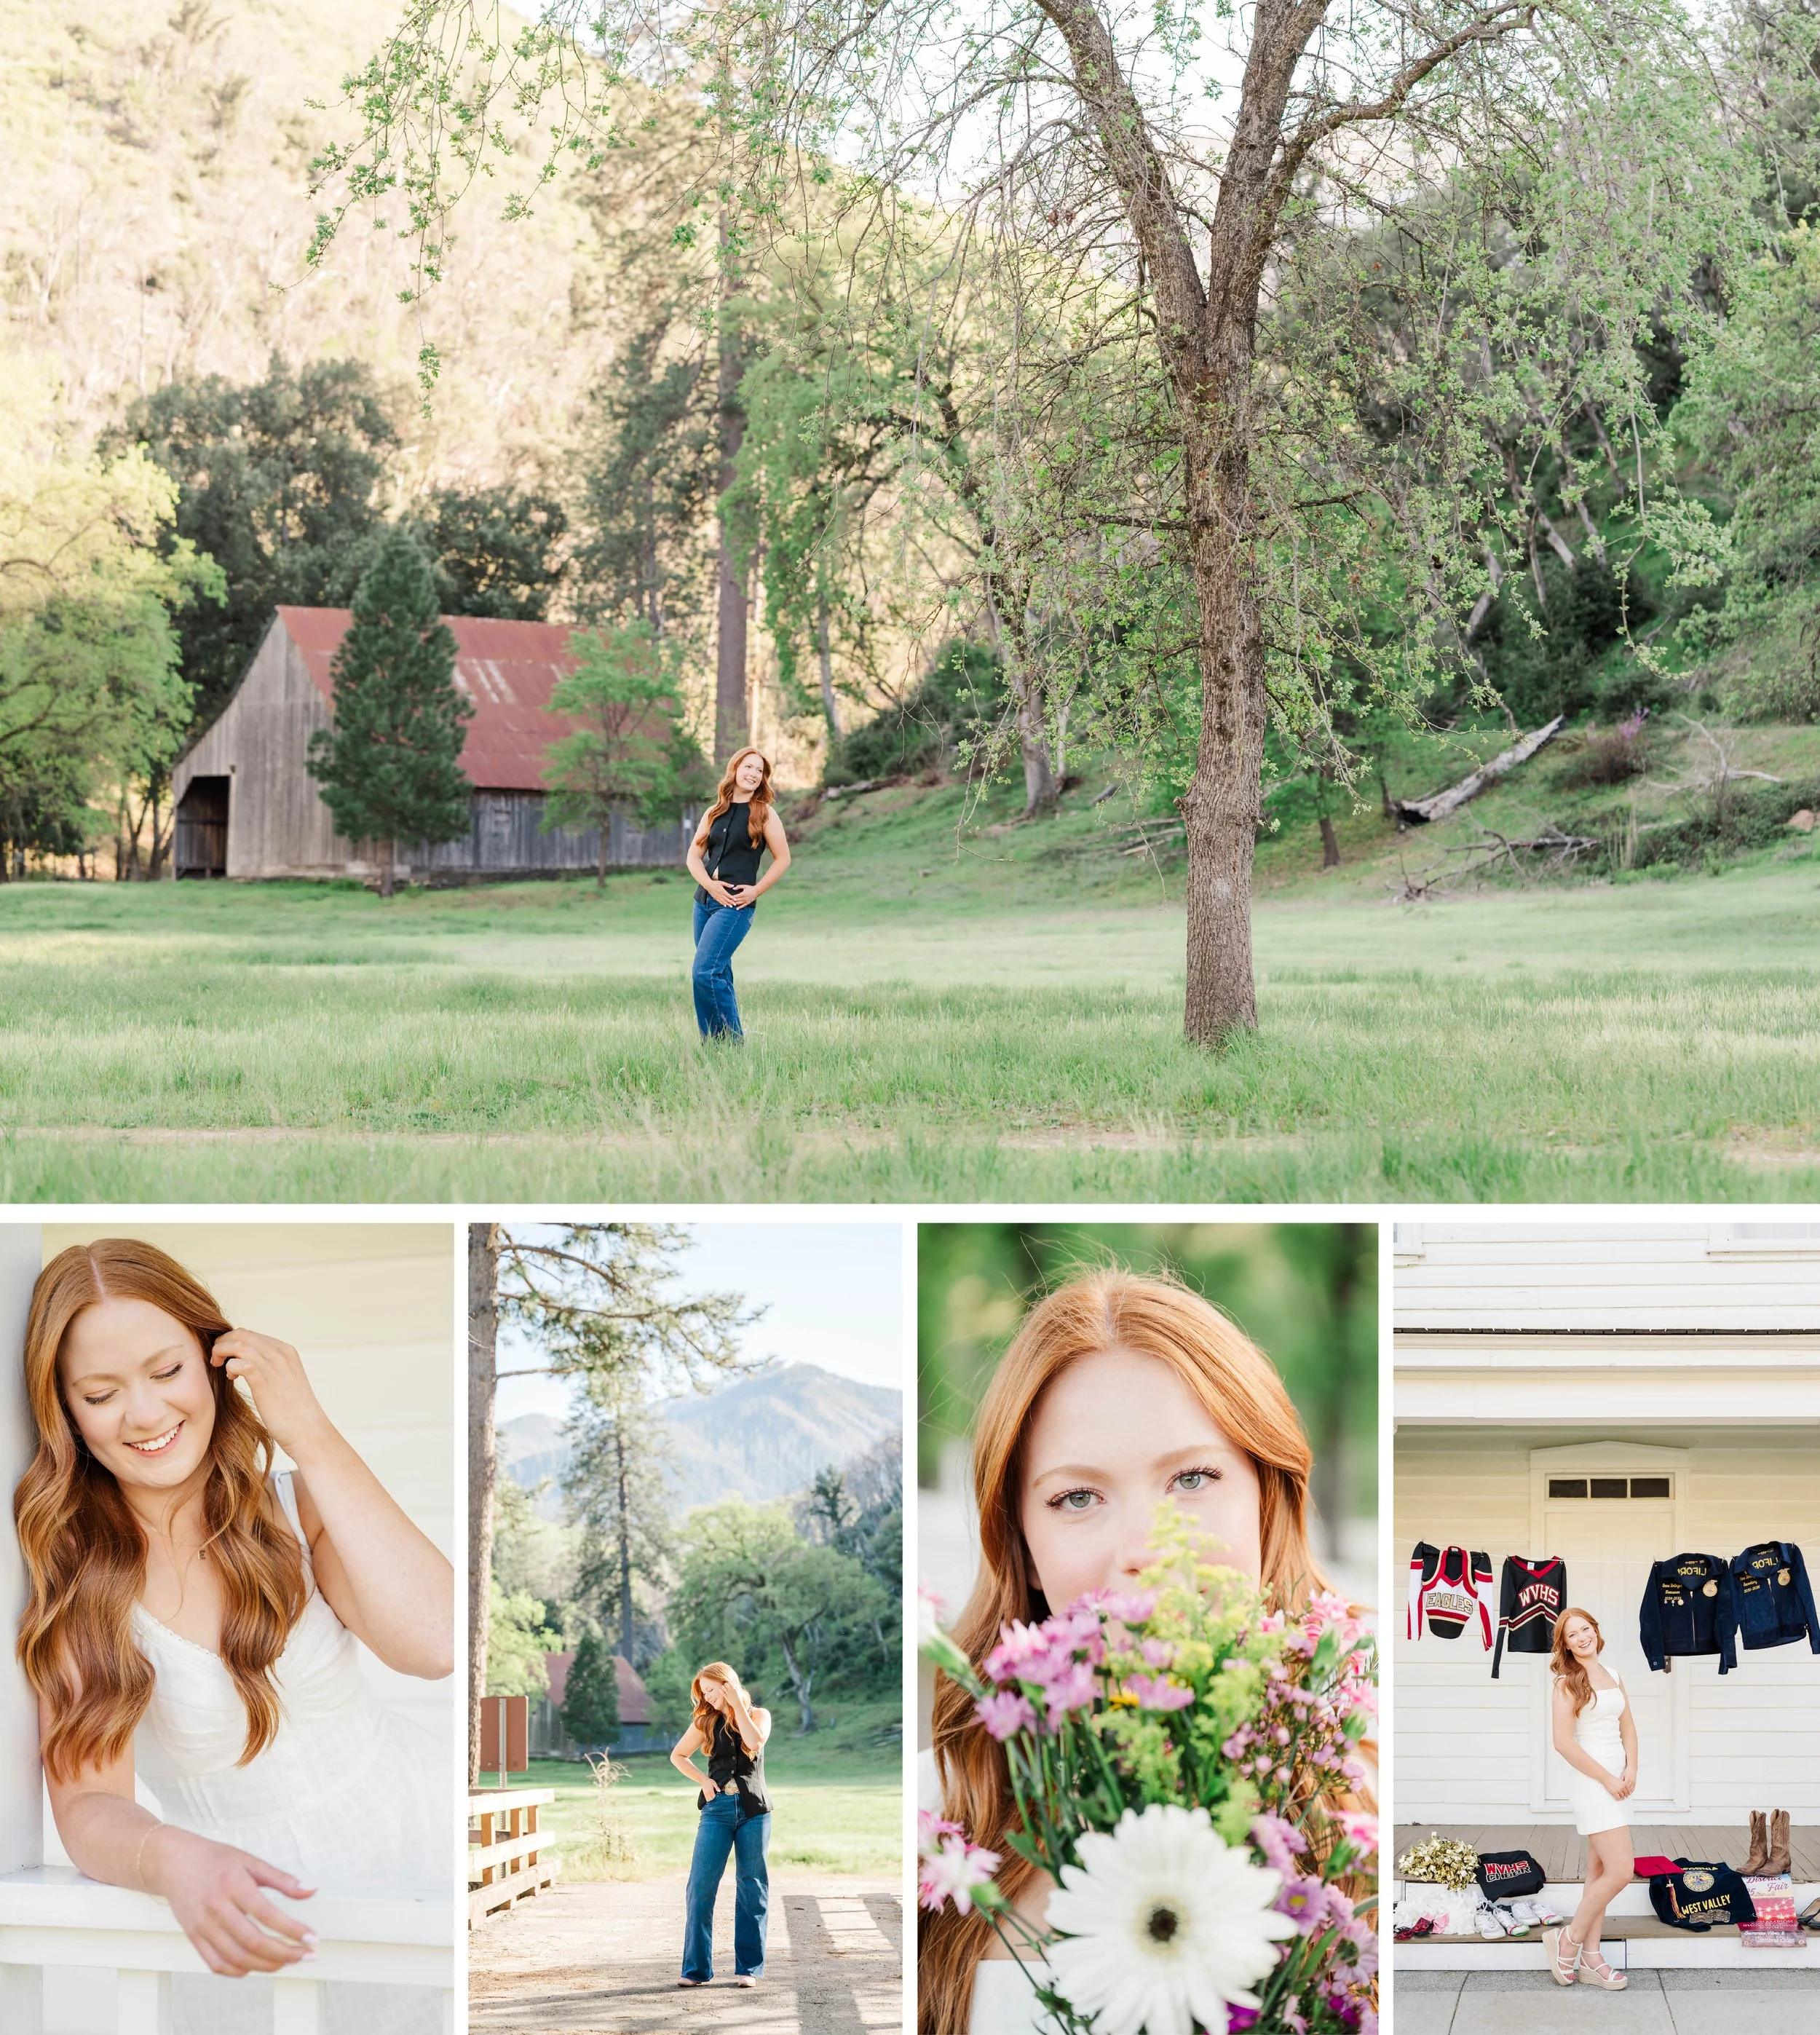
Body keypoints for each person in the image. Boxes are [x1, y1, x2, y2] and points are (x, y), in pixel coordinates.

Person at [14, 1238, 454, 2035]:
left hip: (414, 1859)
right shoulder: (80, 1584)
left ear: (214, 1361)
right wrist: (172, 1858)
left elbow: (433, 1642)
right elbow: (87, 1803)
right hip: (232, 1912)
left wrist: (311, 1432)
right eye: (102, 1392)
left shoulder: (299, 1510)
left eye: (167, 1370)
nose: (145, 1414)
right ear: (67, 1413)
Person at [917, 1268, 1361, 2035]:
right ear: (1020, 1543)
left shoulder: (1367, 1787)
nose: (1146, 1552)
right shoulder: (935, 1815)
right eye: (1076, 1497)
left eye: (1191, 1477)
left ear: (1267, 1496)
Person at [1545, 1608, 1637, 1991]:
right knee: (1621, 1871)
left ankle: (1592, 1959)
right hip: (1592, 1783)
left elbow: (1628, 1726)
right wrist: (1606, 1779)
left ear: (1595, 1632)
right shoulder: (1567, 1684)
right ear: (1565, 1645)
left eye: (1585, 1630)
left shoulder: (1613, 1675)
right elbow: (1563, 1743)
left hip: (1619, 1782)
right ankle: (1569, 1938)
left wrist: (1631, 1768)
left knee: (1598, 1873)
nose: (1582, 1638)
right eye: (1572, 1635)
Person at [668, 1661, 773, 1987]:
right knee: (700, 1886)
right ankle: (696, 1970)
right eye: (704, 1692)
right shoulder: (705, 1721)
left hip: (755, 1810)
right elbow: (678, 1756)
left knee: (752, 1887)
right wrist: (702, 1780)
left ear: (727, 1684)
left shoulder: (758, 1715)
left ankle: (748, 1970)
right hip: (717, 1809)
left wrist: (737, 1704)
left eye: (711, 1690)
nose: (708, 1697)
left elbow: (754, 1744)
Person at [684, 747, 791, 1041]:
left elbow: (783, 859)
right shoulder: (714, 811)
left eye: (760, 771)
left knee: (704, 973)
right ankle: (721, 1047)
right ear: (735, 769)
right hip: (704, 903)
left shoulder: (765, 814)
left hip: (735, 905)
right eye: (749, 767)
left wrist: (756, 890)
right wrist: (709, 885)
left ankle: (728, 1044)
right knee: (719, 975)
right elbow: (694, 857)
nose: (754, 774)